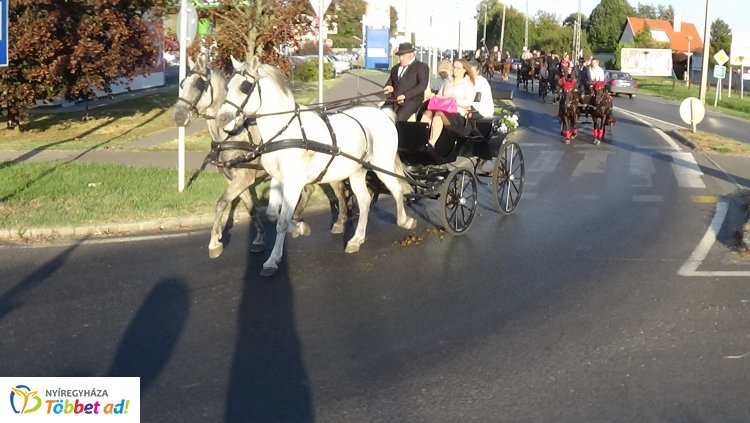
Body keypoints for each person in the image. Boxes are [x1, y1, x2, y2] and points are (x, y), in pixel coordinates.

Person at [420, 58, 476, 148]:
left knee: (439, 114)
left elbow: (468, 102)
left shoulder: (468, 84)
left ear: (464, 70)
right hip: (443, 108)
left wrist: (453, 100)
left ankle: (431, 143)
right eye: (454, 67)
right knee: (427, 112)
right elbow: (439, 94)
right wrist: (434, 97)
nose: (455, 70)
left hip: (457, 114)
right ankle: (421, 139)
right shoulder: (447, 81)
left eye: (458, 68)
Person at [383, 42, 430, 121]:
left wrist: (405, 96)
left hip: (412, 100)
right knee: (381, 115)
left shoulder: (421, 67)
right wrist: (388, 87)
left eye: (403, 55)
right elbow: (390, 82)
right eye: (399, 56)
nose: (400, 58)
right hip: (394, 99)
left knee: (398, 119)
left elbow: (422, 86)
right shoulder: (395, 68)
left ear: (412, 54)